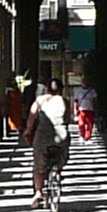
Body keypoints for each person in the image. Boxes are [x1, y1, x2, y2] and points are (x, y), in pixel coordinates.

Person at [22, 75, 71, 205]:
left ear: (47, 89)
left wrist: (27, 131)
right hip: (61, 135)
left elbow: (31, 118)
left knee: (38, 165)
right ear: (61, 90)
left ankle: (38, 192)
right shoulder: (64, 101)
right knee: (61, 155)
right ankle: (57, 172)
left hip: (43, 135)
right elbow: (67, 119)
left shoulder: (39, 100)